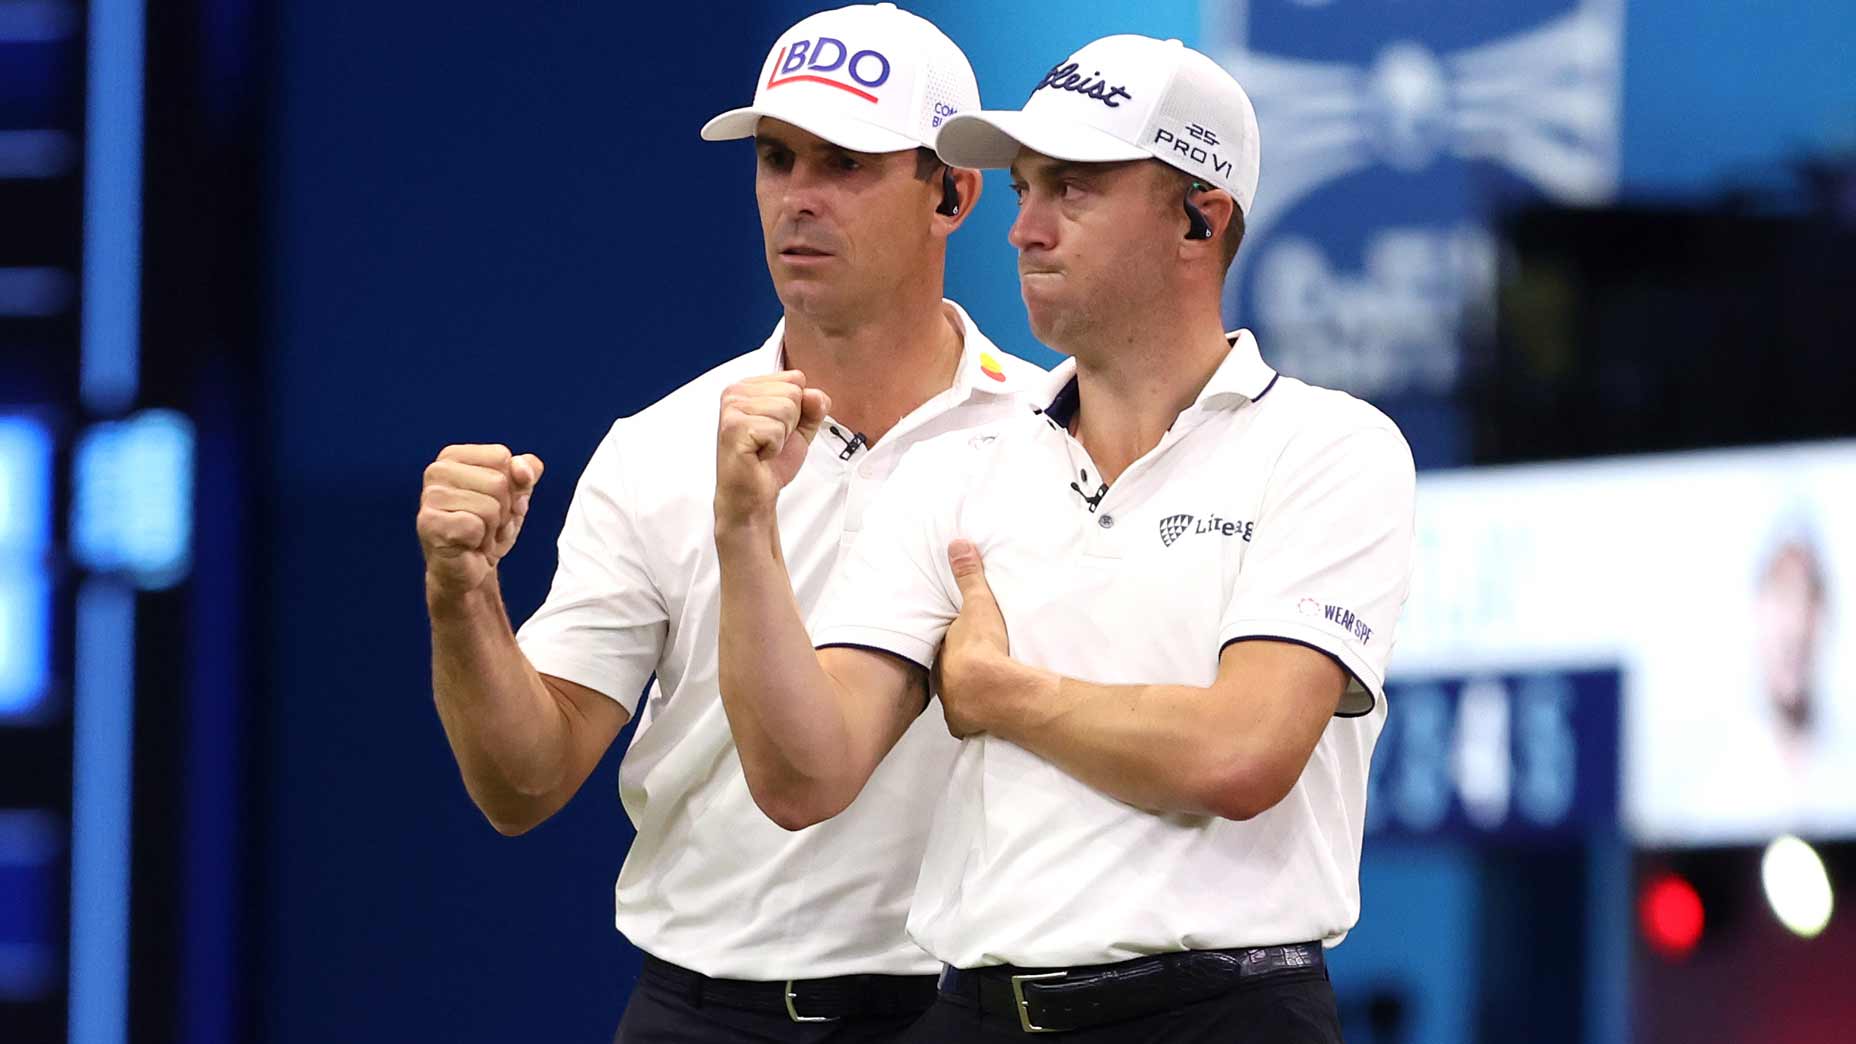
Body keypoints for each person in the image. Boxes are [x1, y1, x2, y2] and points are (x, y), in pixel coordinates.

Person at [711, 35, 1416, 1041]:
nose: (1023, 230)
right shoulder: (953, 472)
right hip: (978, 1011)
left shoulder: (1328, 448)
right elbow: (799, 777)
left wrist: (1007, 695)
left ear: (1195, 218)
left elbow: (1241, 755)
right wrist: (745, 534)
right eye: (1020, 190)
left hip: (1224, 1014)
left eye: (1071, 190)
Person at [414, 5, 1043, 1040]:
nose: (797, 198)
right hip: (707, 1011)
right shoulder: (656, 446)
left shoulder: (1054, 439)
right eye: (775, 158)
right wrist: (460, 596)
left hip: (974, 1007)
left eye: (844, 162)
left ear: (953, 194)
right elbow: (522, 783)